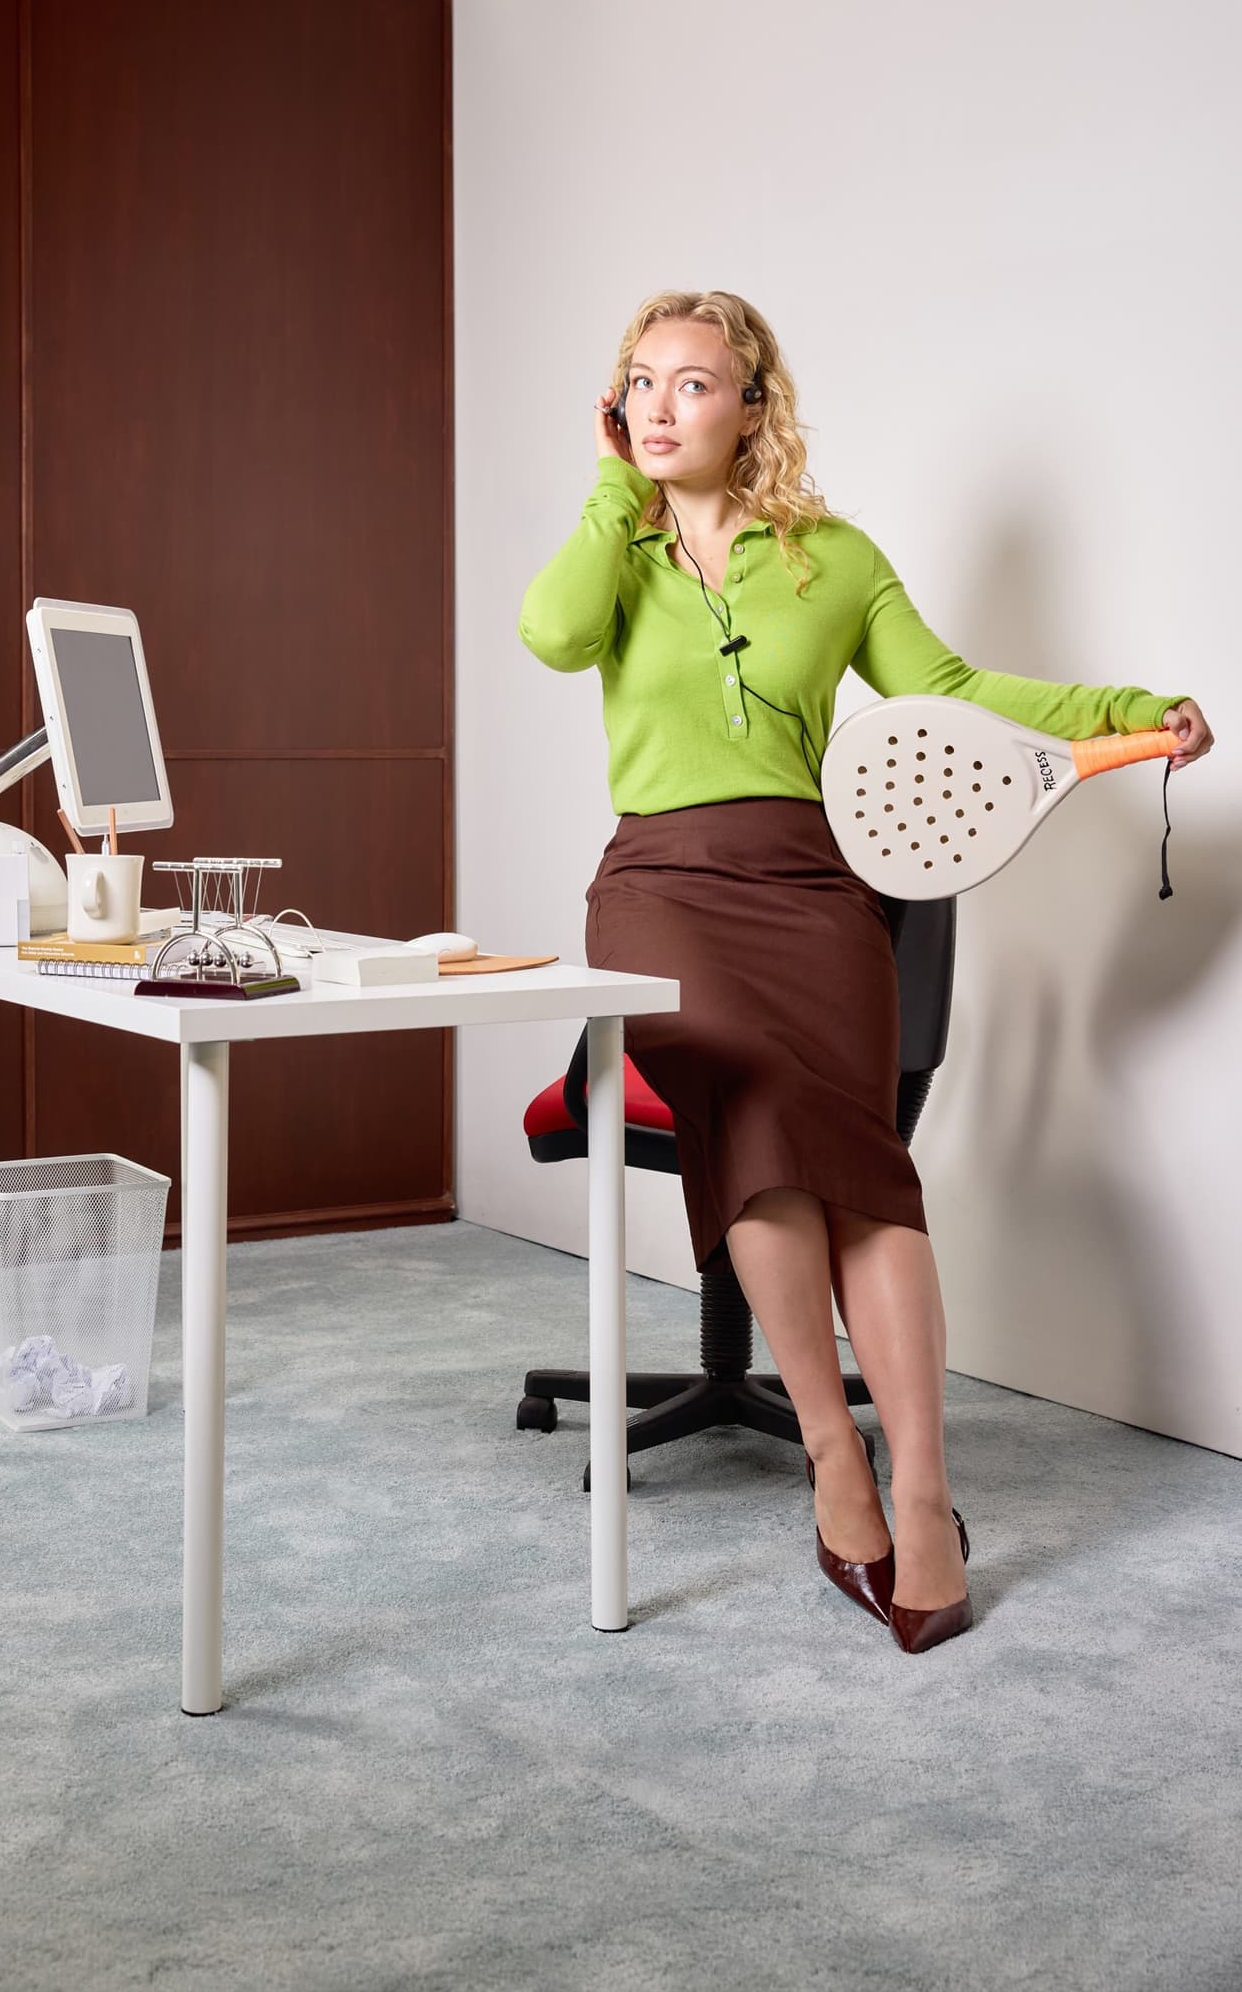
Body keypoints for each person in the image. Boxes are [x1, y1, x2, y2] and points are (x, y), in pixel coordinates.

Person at [518, 288, 1213, 1653]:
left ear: (753, 406)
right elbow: (552, 634)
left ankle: (929, 1492)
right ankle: (835, 1457)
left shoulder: (830, 558)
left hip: (811, 886)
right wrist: (611, 494)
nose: (662, 408)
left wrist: (1131, 713)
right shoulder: (619, 554)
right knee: (758, 1109)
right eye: (639, 386)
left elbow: (954, 690)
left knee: (862, 1167)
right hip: (660, 888)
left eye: (693, 385)